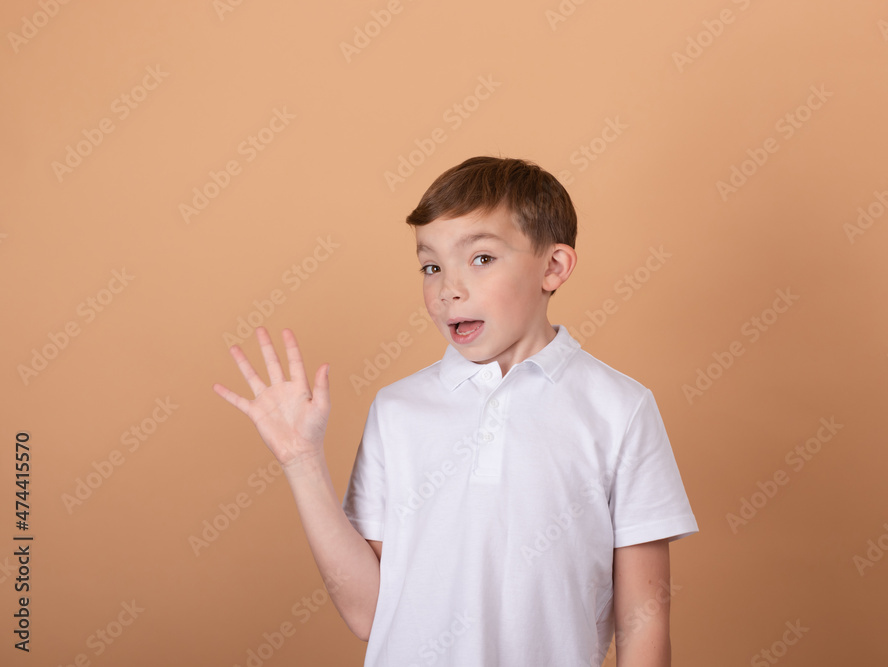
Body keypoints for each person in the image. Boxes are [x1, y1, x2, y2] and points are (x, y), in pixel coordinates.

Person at [213, 156, 699, 666]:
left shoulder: (620, 409)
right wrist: (301, 460)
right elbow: (366, 614)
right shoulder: (397, 411)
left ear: (553, 268)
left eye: (482, 258)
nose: (448, 288)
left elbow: (643, 621)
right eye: (431, 266)